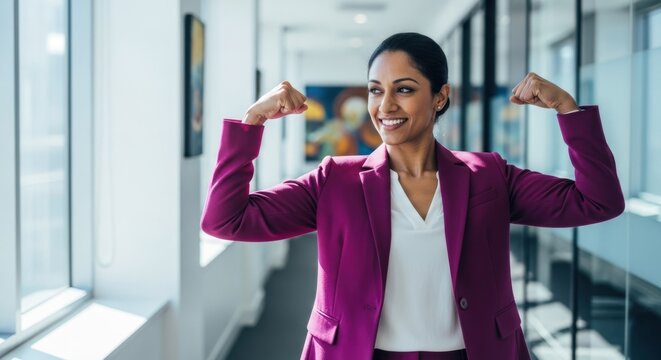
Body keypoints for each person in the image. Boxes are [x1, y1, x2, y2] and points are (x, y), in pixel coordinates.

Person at [201, 33, 625, 360]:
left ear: (440, 96)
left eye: (404, 88)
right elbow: (226, 220)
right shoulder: (336, 181)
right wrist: (252, 120)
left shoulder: (489, 175)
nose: (385, 104)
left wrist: (568, 110)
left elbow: (598, 201)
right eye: (374, 89)